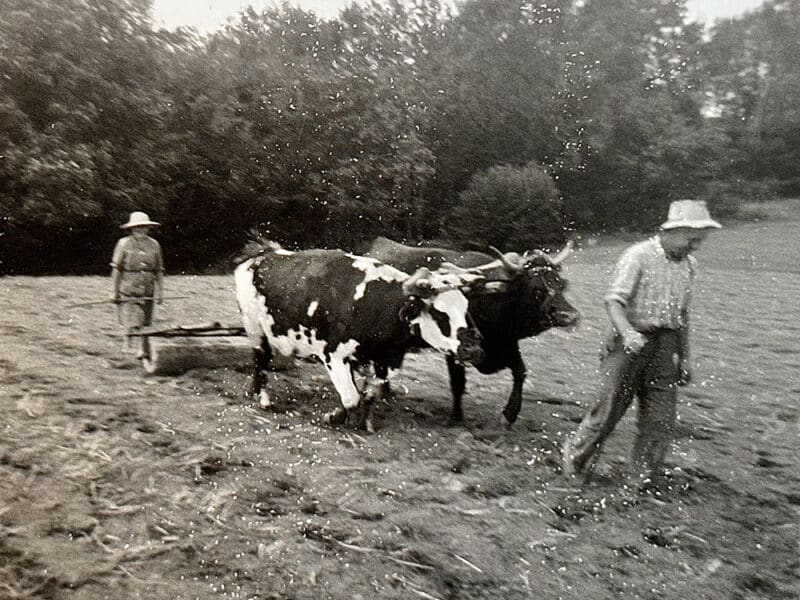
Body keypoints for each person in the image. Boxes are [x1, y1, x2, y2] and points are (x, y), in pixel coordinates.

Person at [562, 199, 721, 483]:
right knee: (607, 414)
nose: (695, 246)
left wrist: (684, 357)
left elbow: (682, 314)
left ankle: (640, 479)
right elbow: (613, 301)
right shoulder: (638, 255)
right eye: (691, 239)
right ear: (672, 230)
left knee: (660, 420)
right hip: (628, 342)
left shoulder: (690, 265)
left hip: (665, 346)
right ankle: (574, 461)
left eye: (700, 240)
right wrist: (628, 333)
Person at [110, 211, 165, 360]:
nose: (140, 230)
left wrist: (160, 292)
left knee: (145, 319)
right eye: (137, 228)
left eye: (144, 227)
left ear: (148, 228)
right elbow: (116, 269)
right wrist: (114, 292)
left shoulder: (154, 245)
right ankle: (128, 344)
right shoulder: (123, 244)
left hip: (147, 287)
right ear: (131, 229)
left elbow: (158, 270)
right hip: (129, 287)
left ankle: (141, 347)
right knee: (133, 317)